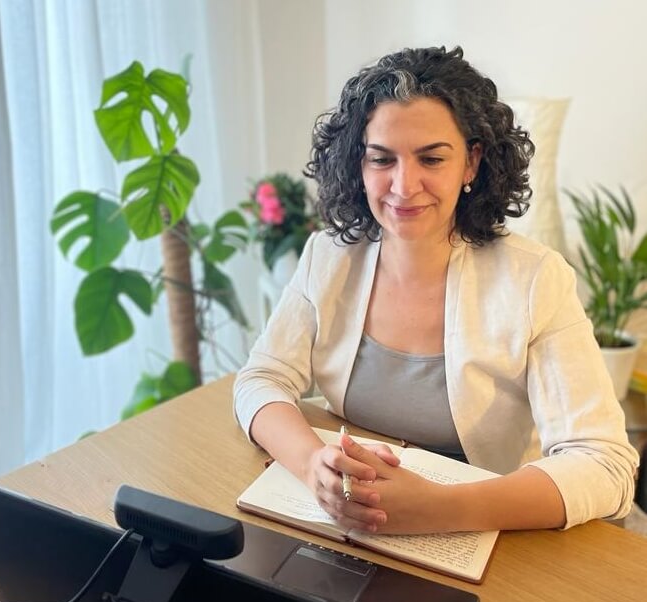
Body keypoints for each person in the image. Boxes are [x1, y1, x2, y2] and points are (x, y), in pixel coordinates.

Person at [233, 46, 639, 535]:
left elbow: (605, 462)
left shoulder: (536, 279)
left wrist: (435, 509)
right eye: (382, 159)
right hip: (354, 524)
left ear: (472, 163)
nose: (404, 187)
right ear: (358, 166)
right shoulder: (329, 256)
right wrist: (312, 465)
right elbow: (261, 377)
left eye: (431, 158)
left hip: (489, 535)